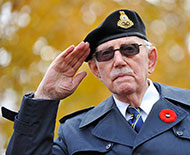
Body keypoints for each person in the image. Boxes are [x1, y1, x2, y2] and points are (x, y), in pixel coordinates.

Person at [2, 9, 190, 155]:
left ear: (150, 59)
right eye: (106, 54)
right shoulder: (75, 132)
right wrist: (45, 96)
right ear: (95, 70)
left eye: (129, 49)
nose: (118, 61)